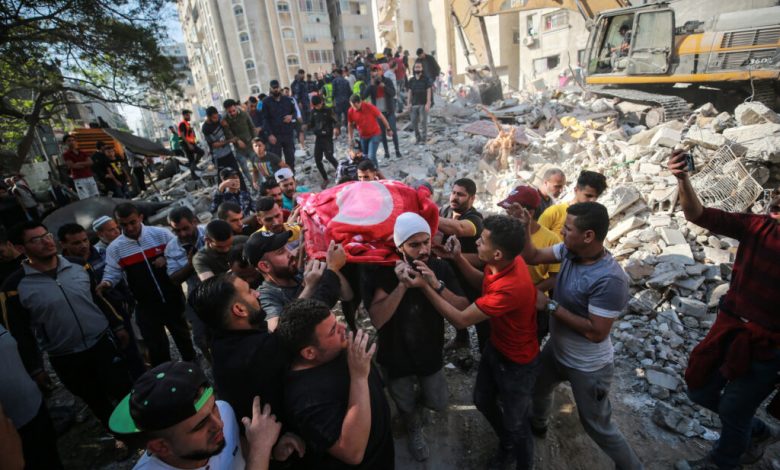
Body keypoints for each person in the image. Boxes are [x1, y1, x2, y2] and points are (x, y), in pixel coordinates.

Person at [667, 151, 780, 470]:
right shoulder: (758, 227)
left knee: (734, 407)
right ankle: (755, 433)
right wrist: (682, 179)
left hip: (766, 347)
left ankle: (725, 460)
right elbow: (698, 215)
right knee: (699, 388)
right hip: (730, 329)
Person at [408, 215, 541, 469]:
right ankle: (507, 443)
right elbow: (484, 285)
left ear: (498, 253)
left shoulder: (511, 286)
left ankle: (520, 458)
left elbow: (460, 319)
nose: (476, 241)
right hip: (496, 348)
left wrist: (428, 287)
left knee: (517, 423)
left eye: (483, 240)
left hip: (517, 363)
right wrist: (456, 258)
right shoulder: (505, 264)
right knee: (482, 400)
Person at [520, 202, 642, 470]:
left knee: (597, 425)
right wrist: (525, 226)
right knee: (538, 388)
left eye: (568, 228)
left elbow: (597, 332)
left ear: (588, 236)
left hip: (589, 367)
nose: (561, 232)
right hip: (557, 350)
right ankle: (538, 424)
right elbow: (532, 256)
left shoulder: (609, 279)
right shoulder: (569, 251)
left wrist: (550, 305)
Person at [1, 221, 133, 429]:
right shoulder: (14, 287)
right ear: (20, 248)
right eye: (36, 240)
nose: (46, 242)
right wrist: (35, 368)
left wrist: (117, 325)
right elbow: (19, 332)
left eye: (46, 236)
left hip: (102, 344)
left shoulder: (79, 265)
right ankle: (119, 436)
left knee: (123, 388)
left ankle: (141, 429)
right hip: (66, 356)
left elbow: (98, 298)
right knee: (95, 399)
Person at [368, 213, 467, 461]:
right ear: (400, 246)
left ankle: (418, 410)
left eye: (426, 242)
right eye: (414, 245)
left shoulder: (440, 267)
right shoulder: (384, 272)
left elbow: (464, 308)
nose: (423, 250)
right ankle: (411, 423)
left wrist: (434, 285)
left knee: (438, 401)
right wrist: (401, 286)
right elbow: (378, 320)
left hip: (430, 350)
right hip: (395, 354)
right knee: (404, 401)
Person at [190, 274, 307, 466]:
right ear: (239, 309)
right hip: (286, 450)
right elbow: (297, 326)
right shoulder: (256, 352)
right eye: (249, 292)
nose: (257, 293)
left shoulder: (223, 341)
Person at [276, 299, 394, 468]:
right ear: (309, 352)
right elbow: (352, 453)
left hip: (383, 449)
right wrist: (359, 377)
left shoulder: (336, 348)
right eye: (333, 330)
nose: (342, 327)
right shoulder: (305, 399)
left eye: (336, 321)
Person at [108, 361, 284, 470]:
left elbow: (238, 449)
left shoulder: (224, 411)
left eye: (212, 407)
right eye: (200, 425)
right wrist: (261, 450)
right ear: (161, 446)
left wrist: (271, 451)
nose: (219, 424)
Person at [99, 202, 196, 366]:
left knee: (184, 339)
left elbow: (179, 251)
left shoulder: (160, 234)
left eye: (132, 222)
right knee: (158, 349)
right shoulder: (115, 248)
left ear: (140, 218)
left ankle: (197, 378)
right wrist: (106, 282)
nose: (129, 228)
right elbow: (112, 271)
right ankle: (167, 382)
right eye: (123, 225)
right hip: (145, 305)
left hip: (173, 298)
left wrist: (166, 258)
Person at [58, 223, 146, 378]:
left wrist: (127, 301)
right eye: (76, 243)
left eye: (85, 240)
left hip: (119, 312)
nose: (84, 245)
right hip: (93, 321)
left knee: (132, 352)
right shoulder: (63, 267)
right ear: (63, 244)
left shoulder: (102, 253)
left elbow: (119, 279)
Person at [245, 231, 351, 332]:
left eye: (287, 248)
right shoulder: (266, 296)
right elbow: (278, 331)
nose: (290, 253)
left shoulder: (298, 275)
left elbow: (347, 295)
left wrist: (332, 267)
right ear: (265, 266)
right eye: (281, 252)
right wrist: (309, 287)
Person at [499, 186, 560, 342]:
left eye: (512, 211)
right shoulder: (504, 233)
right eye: (508, 211)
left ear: (530, 213)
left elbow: (555, 277)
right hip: (505, 297)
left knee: (529, 345)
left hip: (534, 305)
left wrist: (530, 292)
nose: (508, 214)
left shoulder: (551, 240)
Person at [0, 323, 64, 470]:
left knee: (52, 460)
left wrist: (35, 369)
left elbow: (20, 341)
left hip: (35, 407)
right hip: (11, 432)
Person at [436, 178, 487, 351]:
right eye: (453, 193)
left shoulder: (475, 219)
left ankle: (484, 351)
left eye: (461, 195)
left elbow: (459, 228)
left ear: (472, 198)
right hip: (450, 274)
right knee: (452, 307)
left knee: (479, 316)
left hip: (471, 276)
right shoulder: (445, 211)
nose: (455, 197)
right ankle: (461, 338)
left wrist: (455, 257)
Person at [164, 206, 212, 364]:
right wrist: (191, 264)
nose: (182, 234)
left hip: (221, 285)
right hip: (196, 294)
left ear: (194, 222)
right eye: (176, 230)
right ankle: (214, 366)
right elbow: (174, 279)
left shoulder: (210, 232)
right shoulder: (172, 248)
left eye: (186, 228)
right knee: (200, 338)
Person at [538, 170, 607, 237]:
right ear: (576, 190)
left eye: (596, 197)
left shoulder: (592, 220)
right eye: (588, 196)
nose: (592, 201)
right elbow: (536, 239)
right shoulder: (554, 212)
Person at [202, 106, 248, 191]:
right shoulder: (206, 128)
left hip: (228, 153)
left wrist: (226, 126)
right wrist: (229, 141)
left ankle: (244, 192)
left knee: (236, 173)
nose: (216, 119)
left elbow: (228, 129)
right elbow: (214, 145)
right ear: (208, 117)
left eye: (217, 116)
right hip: (218, 157)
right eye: (214, 118)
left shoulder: (220, 118)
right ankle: (223, 196)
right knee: (222, 177)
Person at [364, 65, 401, 160]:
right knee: (382, 133)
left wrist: (384, 87)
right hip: (379, 113)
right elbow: (363, 96)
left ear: (381, 71)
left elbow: (393, 93)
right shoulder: (371, 84)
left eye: (377, 70)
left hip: (389, 111)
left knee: (393, 130)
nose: (375, 73)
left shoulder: (387, 81)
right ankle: (386, 152)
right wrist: (370, 85)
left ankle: (397, 151)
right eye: (373, 71)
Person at [347, 94, 393, 168]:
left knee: (371, 156)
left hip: (375, 134)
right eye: (352, 106)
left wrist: (388, 129)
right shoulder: (350, 111)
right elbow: (350, 125)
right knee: (365, 157)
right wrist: (350, 137)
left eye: (355, 106)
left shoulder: (369, 107)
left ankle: (376, 172)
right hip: (363, 136)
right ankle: (370, 173)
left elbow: (381, 117)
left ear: (360, 102)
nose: (354, 108)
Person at [222, 99, 260, 190]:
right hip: (239, 149)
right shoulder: (225, 120)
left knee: (256, 166)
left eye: (233, 110)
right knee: (245, 169)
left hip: (250, 145)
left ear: (236, 107)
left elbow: (252, 127)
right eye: (229, 112)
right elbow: (228, 134)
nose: (232, 113)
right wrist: (237, 140)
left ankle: (260, 185)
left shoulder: (244, 114)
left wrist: (255, 140)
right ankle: (253, 186)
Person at [262, 80, 298, 171]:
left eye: (277, 88)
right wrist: (269, 134)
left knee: (290, 158)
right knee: (276, 160)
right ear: (270, 89)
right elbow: (264, 119)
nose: (276, 90)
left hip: (288, 134)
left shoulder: (288, 100)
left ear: (279, 87)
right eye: (273, 88)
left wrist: (291, 116)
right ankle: (281, 181)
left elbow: (295, 112)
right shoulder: (266, 102)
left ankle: (291, 178)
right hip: (275, 135)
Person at [309, 95, 340, 188]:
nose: (317, 107)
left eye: (318, 105)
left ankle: (341, 173)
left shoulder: (328, 110)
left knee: (329, 156)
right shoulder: (313, 112)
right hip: (318, 138)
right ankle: (325, 179)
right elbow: (311, 124)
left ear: (321, 102)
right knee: (317, 159)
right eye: (315, 106)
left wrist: (336, 128)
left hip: (327, 137)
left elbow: (336, 121)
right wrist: (306, 126)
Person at [61, 133, 100, 199]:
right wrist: (84, 164)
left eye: (73, 140)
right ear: (65, 143)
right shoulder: (66, 154)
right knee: (85, 198)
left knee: (96, 196)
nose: (71, 142)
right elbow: (72, 166)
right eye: (69, 141)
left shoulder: (82, 152)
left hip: (89, 176)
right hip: (79, 178)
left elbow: (90, 162)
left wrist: (79, 163)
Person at [406, 61, 433, 145]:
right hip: (414, 104)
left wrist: (428, 103)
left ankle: (423, 139)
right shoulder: (411, 80)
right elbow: (409, 92)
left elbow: (429, 91)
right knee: (414, 122)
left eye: (419, 67)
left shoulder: (426, 79)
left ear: (422, 68)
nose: (417, 69)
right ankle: (418, 138)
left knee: (423, 122)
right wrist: (408, 103)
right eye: (416, 67)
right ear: (414, 69)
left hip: (423, 104)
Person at [178, 109, 205, 180]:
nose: (189, 116)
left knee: (191, 160)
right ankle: (193, 166)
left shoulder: (187, 124)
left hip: (190, 144)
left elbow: (190, 135)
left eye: (189, 115)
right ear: (183, 116)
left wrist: (194, 142)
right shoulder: (182, 124)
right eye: (187, 115)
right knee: (201, 152)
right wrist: (189, 145)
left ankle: (194, 176)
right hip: (187, 145)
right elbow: (182, 135)